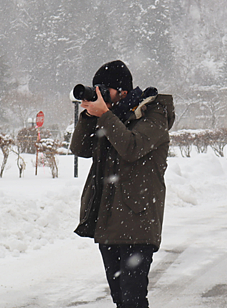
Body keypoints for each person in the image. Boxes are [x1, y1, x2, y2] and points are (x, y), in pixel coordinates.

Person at [70, 60, 175, 308]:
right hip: (108, 223)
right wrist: (88, 115)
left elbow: (131, 147)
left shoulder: (154, 115)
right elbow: (80, 149)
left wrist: (104, 115)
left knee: (133, 299)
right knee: (120, 298)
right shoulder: (110, 119)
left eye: (105, 90)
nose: (100, 95)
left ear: (124, 92)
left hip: (138, 222)